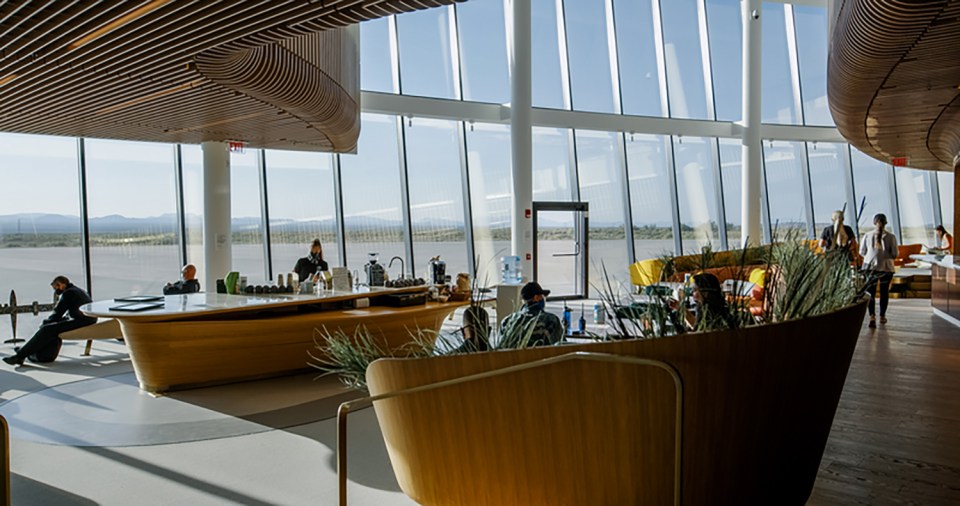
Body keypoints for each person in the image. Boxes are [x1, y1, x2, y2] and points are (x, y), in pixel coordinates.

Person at [3, 276, 97, 366]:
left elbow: (58, 313)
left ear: (62, 284)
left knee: (47, 330)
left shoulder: (68, 293)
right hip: (89, 319)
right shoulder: (78, 290)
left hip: (82, 321)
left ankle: (20, 355)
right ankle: (23, 352)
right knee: (50, 328)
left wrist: (44, 324)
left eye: (56, 287)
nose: (56, 291)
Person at [860, 213, 898, 328]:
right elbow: (895, 254)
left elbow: (862, 252)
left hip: (870, 268)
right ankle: (882, 316)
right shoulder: (891, 237)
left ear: (874, 222)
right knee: (884, 292)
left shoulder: (867, 235)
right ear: (886, 223)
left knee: (870, 293)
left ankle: (872, 316)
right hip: (886, 268)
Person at [499, 282, 563, 348]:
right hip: (542, 358)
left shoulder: (507, 321)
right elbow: (560, 347)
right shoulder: (550, 320)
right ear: (536, 297)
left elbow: (500, 348)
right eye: (542, 296)